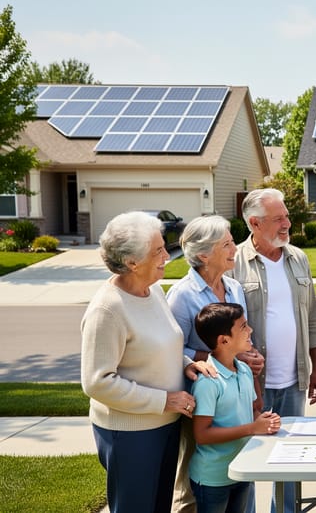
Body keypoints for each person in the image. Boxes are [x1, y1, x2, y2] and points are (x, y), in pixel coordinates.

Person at [81, 211, 214, 513]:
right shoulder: (108, 309)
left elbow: (161, 344)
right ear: (132, 262)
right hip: (131, 434)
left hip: (166, 423)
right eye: (158, 251)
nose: (167, 255)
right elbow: (96, 382)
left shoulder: (152, 290)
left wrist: (184, 364)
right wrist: (164, 400)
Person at [229, 188, 316, 513]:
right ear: (254, 223)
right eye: (278, 218)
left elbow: (311, 318)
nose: (287, 223)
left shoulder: (298, 258)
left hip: (295, 381)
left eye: (286, 216)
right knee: (249, 461)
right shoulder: (234, 264)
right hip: (252, 385)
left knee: (291, 464)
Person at [167, 215, 265, 513]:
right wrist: (207, 360)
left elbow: (237, 336)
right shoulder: (182, 296)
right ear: (203, 255)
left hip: (234, 398)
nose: (235, 247)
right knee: (194, 488)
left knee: (238, 470)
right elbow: (172, 348)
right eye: (227, 244)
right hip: (203, 400)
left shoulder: (233, 287)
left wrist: (250, 357)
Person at [190, 303, 281, 513]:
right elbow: (202, 434)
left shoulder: (245, 371)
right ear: (224, 340)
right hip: (213, 480)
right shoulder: (208, 382)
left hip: (241, 470)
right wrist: (252, 428)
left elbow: (252, 412)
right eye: (243, 327)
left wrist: (265, 421)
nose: (250, 331)